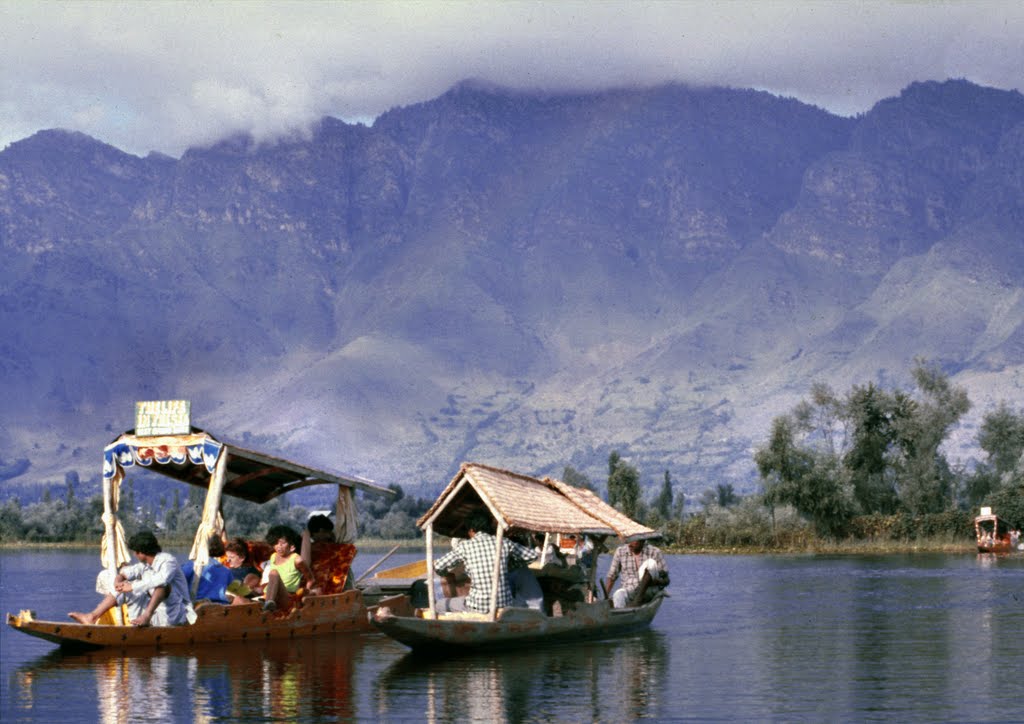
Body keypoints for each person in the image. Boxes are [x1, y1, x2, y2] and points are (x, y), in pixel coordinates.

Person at [69, 530, 192, 626]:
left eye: (136, 552)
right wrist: (119, 579)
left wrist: (132, 586)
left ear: (142, 552)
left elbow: (162, 579)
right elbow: (127, 572)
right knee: (124, 586)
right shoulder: (145, 565)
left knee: (161, 586)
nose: (134, 555)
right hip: (156, 614)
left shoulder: (167, 560)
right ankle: (92, 616)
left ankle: (146, 617)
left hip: (175, 613)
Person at [433, 511, 538, 613]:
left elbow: (438, 566)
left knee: (439, 604)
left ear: (471, 530)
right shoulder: (504, 542)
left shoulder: (465, 546)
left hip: (478, 607)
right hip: (505, 605)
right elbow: (532, 556)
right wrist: (509, 566)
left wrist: (444, 573)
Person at [260, 524, 317, 612]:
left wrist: (306, 593)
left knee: (274, 572)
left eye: (282, 543)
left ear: (291, 545)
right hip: (267, 595)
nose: (279, 546)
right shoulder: (273, 556)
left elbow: (311, 579)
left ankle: (268, 605)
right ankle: (268, 603)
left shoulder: (297, 559)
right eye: (276, 543)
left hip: (287, 597)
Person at [603, 538, 669, 609]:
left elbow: (666, 580)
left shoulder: (654, 552)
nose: (629, 545)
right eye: (628, 540)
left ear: (642, 540)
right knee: (618, 595)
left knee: (651, 563)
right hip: (628, 590)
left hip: (649, 591)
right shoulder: (620, 551)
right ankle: (622, 615)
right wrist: (605, 598)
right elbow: (612, 576)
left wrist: (654, 581)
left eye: (633, 540)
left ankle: (638, 600)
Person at [182, 536, 235, 604]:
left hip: (198, 608)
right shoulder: (226, 571)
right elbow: (233, 590)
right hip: (221, 608)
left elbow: (176, 581)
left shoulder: (192, 566)